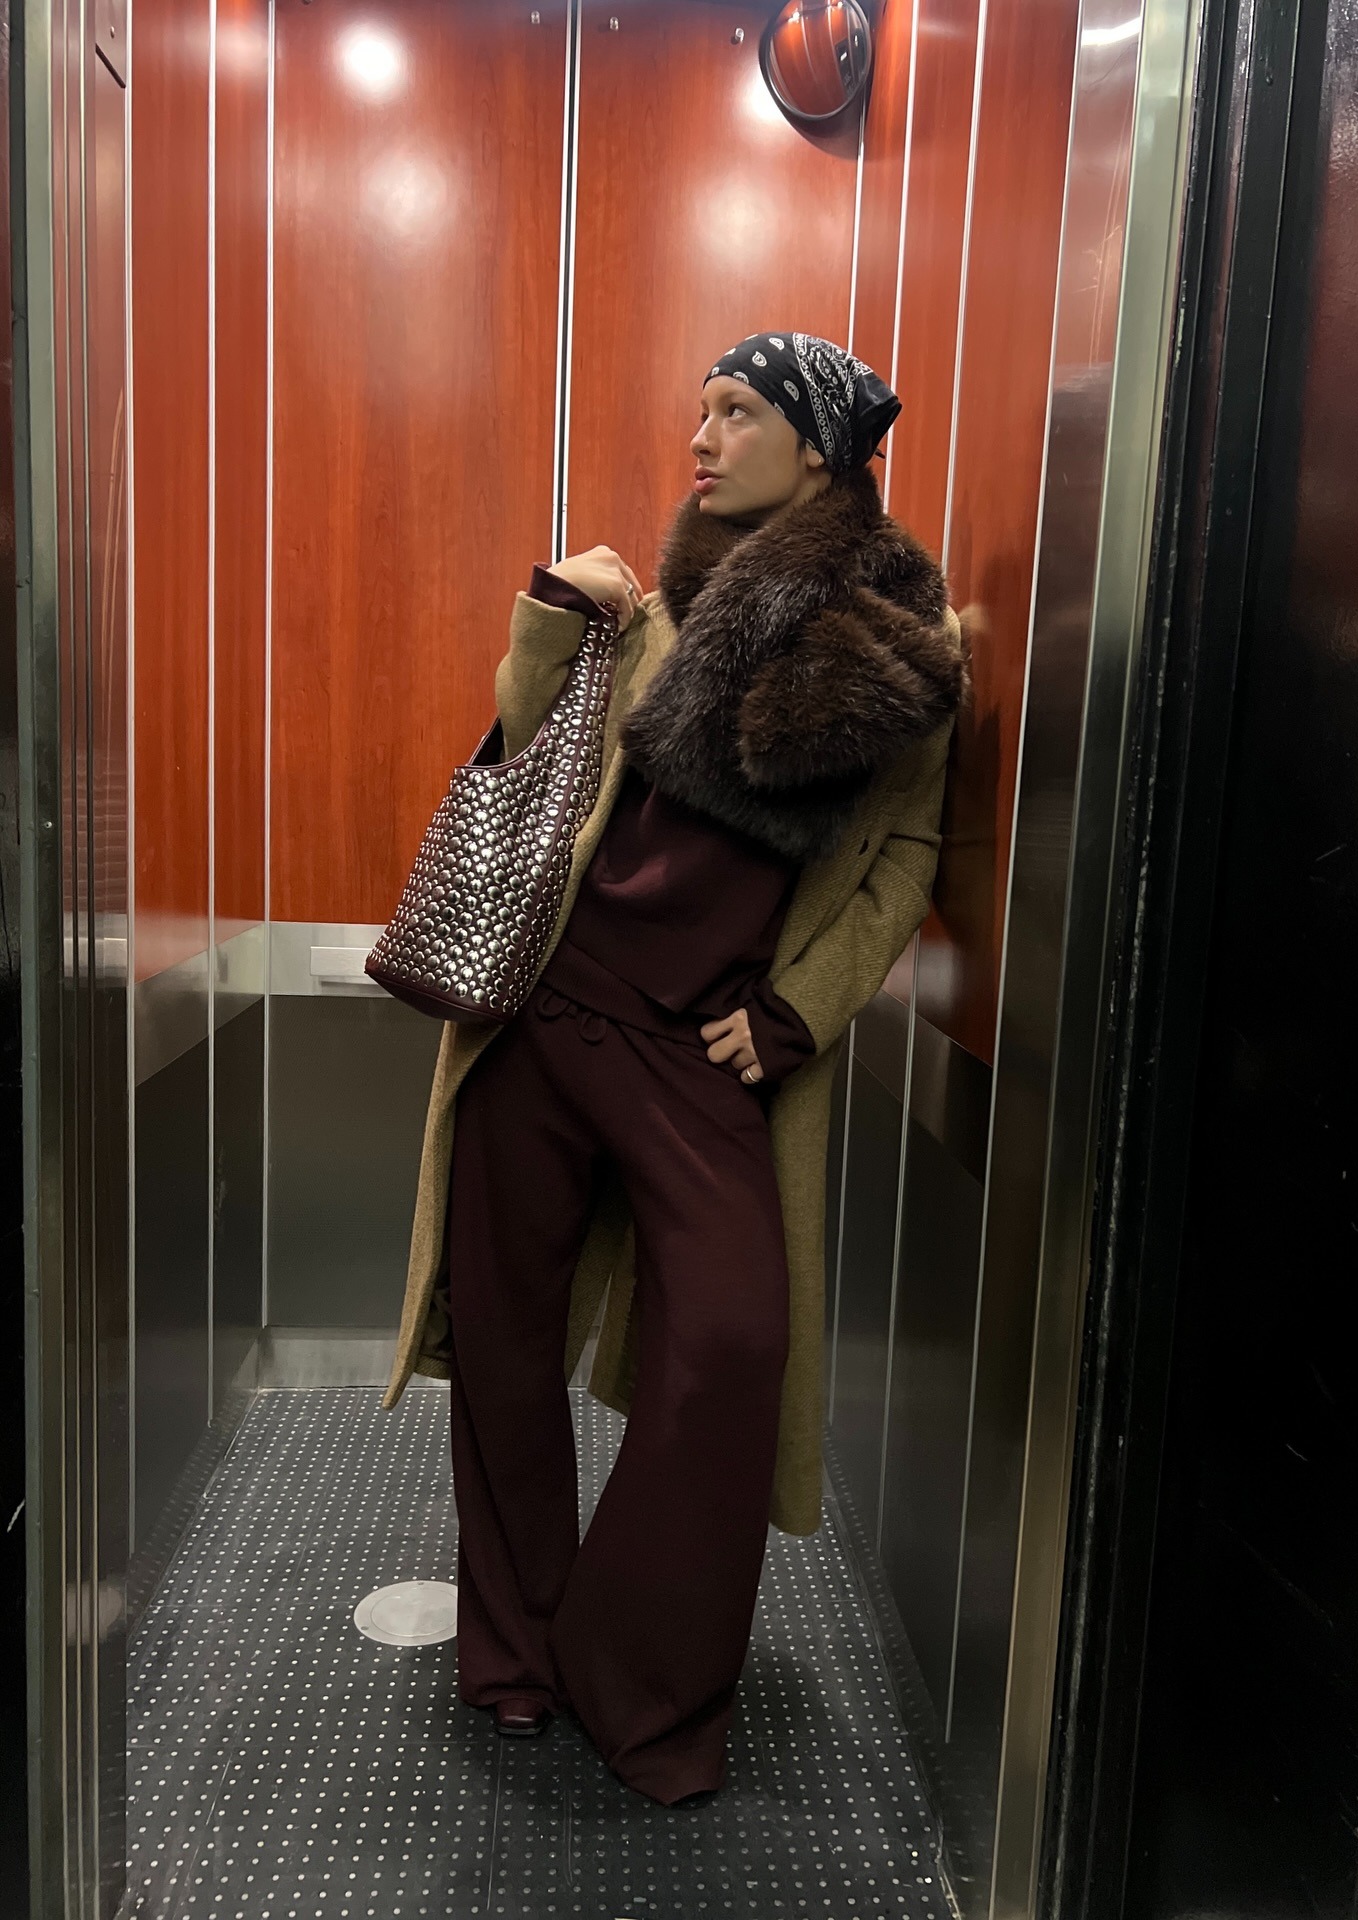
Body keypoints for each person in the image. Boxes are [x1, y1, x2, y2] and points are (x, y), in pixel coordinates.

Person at [381, 331, 970, 1806]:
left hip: (702, 1051)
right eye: (699, 409)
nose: (702, 438)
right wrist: (547, 621)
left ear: (823, 448)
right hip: (545, 1013)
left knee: (734, 1347)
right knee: (505, 1346)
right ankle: (509, 1655)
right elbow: (529, 772)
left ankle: (631, 1679)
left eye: (740, 411)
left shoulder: (905, 652)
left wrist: (795, 1016)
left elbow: (905, 858)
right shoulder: (647, 611)